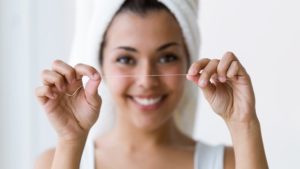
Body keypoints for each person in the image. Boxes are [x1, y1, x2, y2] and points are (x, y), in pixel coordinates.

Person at [34, 0, 268, 169]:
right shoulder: (56, 161)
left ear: (190, 61)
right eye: (126, 59)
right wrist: (71, 140)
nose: (146, 81)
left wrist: (244, 123)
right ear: (101, 65)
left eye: (167, 57)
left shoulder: (231, 163)